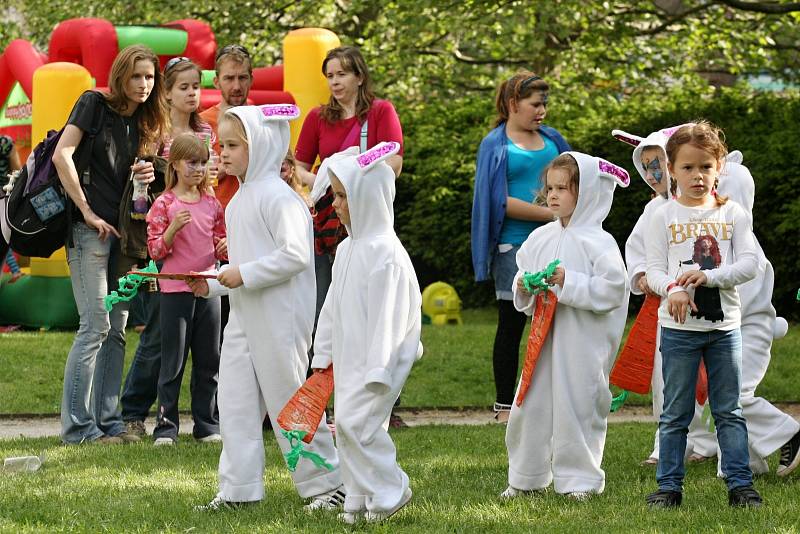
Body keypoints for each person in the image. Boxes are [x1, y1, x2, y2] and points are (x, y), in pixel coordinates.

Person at [190, 105, 342, 511]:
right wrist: (207, 286)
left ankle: (327, 485)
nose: (223, 153)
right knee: (234, 402)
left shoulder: (280, 198)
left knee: (289, 401)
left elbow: (295, 257)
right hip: (243, 319)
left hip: (278, 321)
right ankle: (239, 489)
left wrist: (243, 274)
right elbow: (239, 271)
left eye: (234, 145)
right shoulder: (238, 201)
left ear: (261, 146)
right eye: (222, 145)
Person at [53, 44, 168, 445]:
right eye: (136, 76)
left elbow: (138, 190)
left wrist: (148, 174)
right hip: (88, 232)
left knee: (117, 327)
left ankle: (109, 423)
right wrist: (85, 210)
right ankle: (78, 428)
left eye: (150, 77)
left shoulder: (147, 120)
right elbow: (62, 155)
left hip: (125, 238)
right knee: (95, 325)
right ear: (121, 75)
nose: (143, 84)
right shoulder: (94, 103)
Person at [644, 121, 761, 508]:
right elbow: (654, 270)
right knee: (675, 413)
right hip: (678, 331)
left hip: (725, 329)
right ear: (671, 169)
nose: (697, 176)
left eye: (706, 167)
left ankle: (740, 485)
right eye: (688, 167)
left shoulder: (733, 215)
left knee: (730, 410)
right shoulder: (660, 216)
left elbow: (749, 265)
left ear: (719, 168)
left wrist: (708, 276)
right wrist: (674, 289)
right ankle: (668, 488)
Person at [503, 152, 629, 500]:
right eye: (550, 188)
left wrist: (568, 282)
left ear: (586, 192)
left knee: (579, 406)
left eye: (563, 188)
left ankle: (580, 479)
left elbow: (613, 290)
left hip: (582, 343)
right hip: (544, 338)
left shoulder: (599, 242)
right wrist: (525, 284)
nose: (553, 195)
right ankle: (526, 475)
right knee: (530, 405)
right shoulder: (541, 237)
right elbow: (522, 270)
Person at [310, 142, 421, 524]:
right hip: (350, 357)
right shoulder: (347, 250)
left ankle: (392, 489)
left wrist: (379, 368)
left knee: (362, 425)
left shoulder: (386, 254)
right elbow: (332, 308)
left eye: (342, 196)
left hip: (381, 361)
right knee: (345, 424)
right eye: (335, 195)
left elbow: (390, 319)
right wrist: (322, 354)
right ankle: (358, 495)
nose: (336, 204)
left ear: (367, 197)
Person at [294, 45, 405, 425]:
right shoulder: (316, 118)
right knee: (327, 303)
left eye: (342, 73)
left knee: (377, 307)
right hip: (328, 222)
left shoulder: (380, 112)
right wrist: (327, 180)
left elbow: (394, 161)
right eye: (330, 75)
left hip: (367, 222)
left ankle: (383, 399)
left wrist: (354, 170)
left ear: (359, 75)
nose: (336, 81)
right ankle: (322, 397)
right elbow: (299, 167)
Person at [120, 56, 219, 439]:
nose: (192, 93)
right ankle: (134, 411)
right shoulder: (154, 131)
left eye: (197, 86)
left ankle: (202, 420)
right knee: (159, 336)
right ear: (168, 92)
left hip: (198, 246)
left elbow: (208, 183)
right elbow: (141, 198)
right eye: (184, 87)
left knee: (197, 344)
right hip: (162, 240)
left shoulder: (205, 130)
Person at [470, 72, 570, 423]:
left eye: (545, 104)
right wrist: (550, 212)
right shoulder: (495, 144)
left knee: (557, 321)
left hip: (555, 242)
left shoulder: (554, 139)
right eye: (535, 104)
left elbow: (574, 183)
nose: (542, 110)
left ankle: (551, 400)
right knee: (512, 324)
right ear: (513, 104)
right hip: (512, 245)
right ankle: (504, 406)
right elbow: (495, 200)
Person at [617, 125, 717, 466]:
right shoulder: (652, 211)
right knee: (667, 377)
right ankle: (668, 442)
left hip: (704, 305)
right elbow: (636, 249)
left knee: (708, 375)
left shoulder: (703, 206)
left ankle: (705, 440)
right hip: (667, 309)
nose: (652, 173)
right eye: (645, 166)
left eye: (657, 162)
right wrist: (642, 275)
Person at [711, 156, 800, 477]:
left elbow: (740, 301)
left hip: (748, 330)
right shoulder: (722, 242)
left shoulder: (746, 247)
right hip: (731, 329)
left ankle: (790, 432)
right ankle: (745, 462)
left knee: (734, 396)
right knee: (726, 396)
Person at [145, 133, 226, 445]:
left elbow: (220, 244)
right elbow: (154, 251)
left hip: (208, 291)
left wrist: (224, 246)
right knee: (173, 362)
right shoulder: (163, 204)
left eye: (204, 163)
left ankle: (207, 425)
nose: (199, 169)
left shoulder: (212, 204)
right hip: (175, 292)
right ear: (175, 164)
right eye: (192, 162)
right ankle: (166, 428)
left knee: (209, 360)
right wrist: (172, 230)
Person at [1, 134, 23, 275]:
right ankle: (15, 271)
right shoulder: (4, 142)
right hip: (3, 197)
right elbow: (17, 171)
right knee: (4, 238)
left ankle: (15, 271)